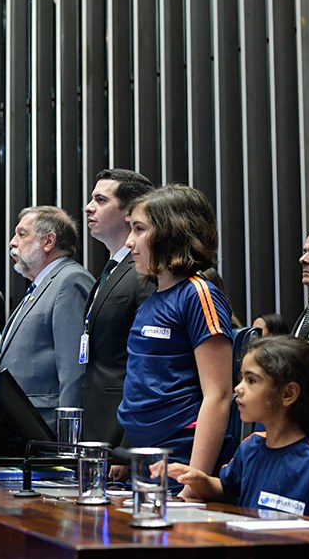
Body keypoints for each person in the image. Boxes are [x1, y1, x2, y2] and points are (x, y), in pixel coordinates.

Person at [118, 184, 235, 499]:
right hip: (146, 462)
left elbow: (219, 395)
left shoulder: (199, 294)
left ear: (172, 234)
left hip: (181, 465)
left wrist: (192, 487)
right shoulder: (151, 301)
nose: (129, 242)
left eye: (139, 229)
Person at [161, 336, 309, 518]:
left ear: (288, 393)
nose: (238, 388)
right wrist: (200, 480)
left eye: (251, 380)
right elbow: (225, 490)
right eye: (241, 379)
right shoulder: (250, 447)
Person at [0, 206, 95, 429]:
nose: (13, 242)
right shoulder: (40, 286)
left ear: (48, 241)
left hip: (48, 428)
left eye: (22, 234)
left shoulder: (70, 280)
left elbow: (74, 369)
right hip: (23, 424)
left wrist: (67, 436)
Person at [81, 169, 155, 447]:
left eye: (100, 200)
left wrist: (129, 442)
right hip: (95, 425)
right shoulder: (110, 271)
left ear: (129, 212)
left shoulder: (144, 273)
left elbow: (148, 364)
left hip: (121, 431)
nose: (89, 207)